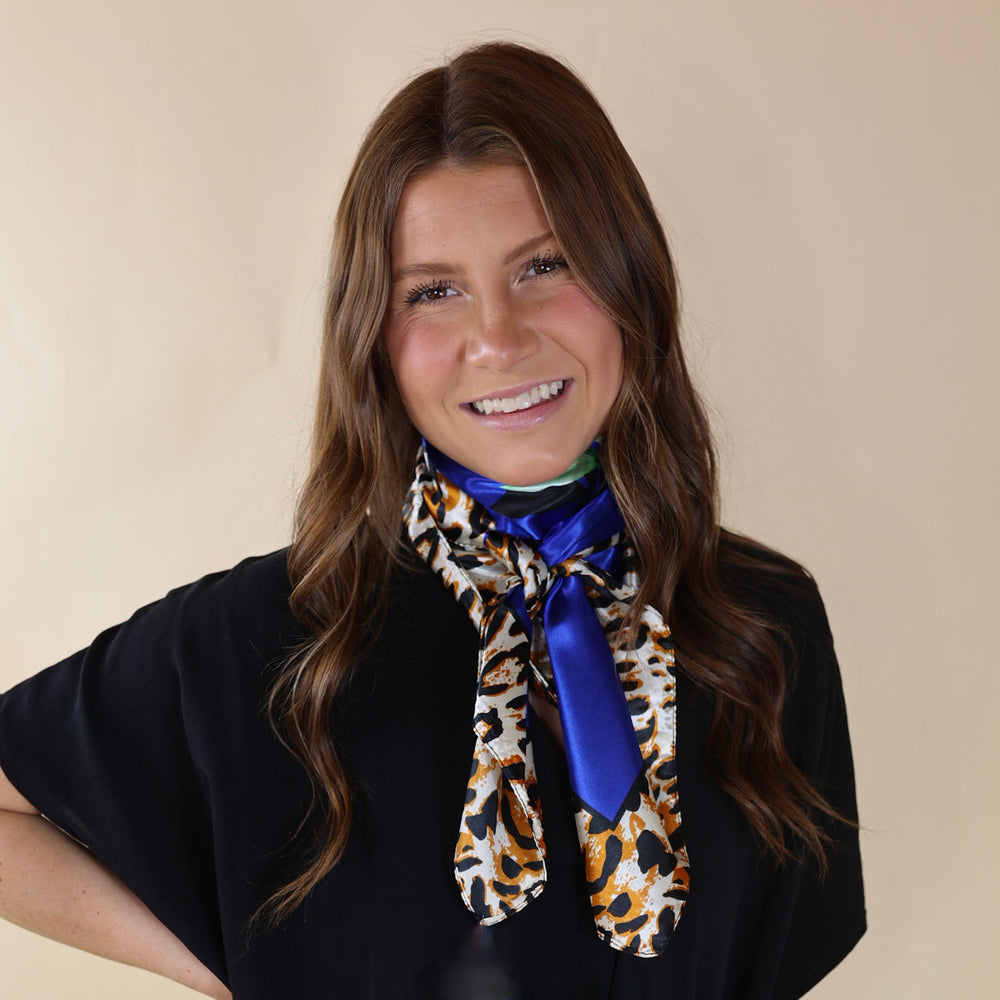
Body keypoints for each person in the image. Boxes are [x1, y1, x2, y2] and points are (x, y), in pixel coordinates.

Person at [0, 41, 865, 999]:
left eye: (548, 264)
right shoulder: (270, 637)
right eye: (434, 291)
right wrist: (225, 965)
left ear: (632, 284)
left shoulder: (764, 624)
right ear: (374, 337)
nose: (496, 337)